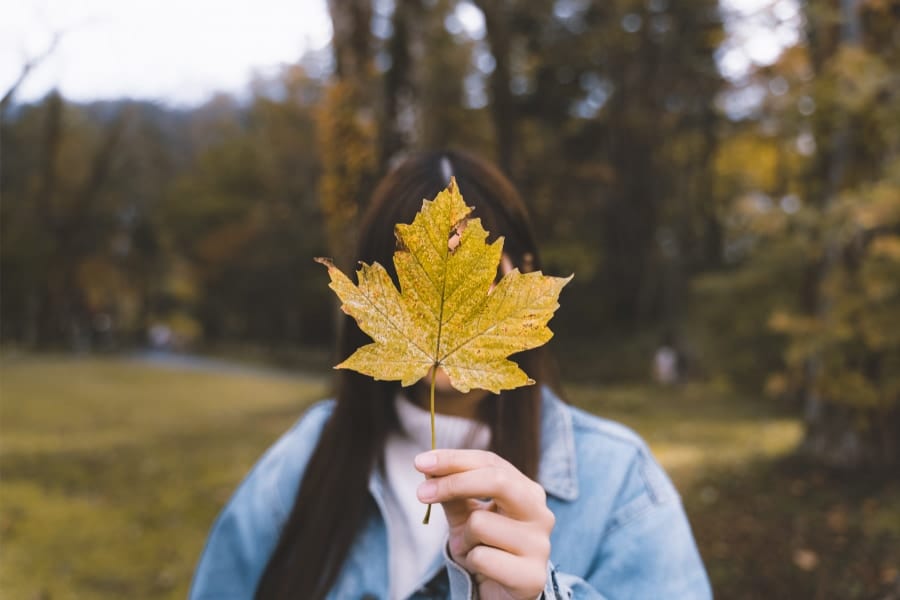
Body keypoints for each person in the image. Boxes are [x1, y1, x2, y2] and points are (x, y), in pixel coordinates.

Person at [189, 150, 712, 599]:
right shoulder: (301, 463)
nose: (446, 314)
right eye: (406, 272)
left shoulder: (618, 480)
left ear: (525, 275)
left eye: (483, 272)